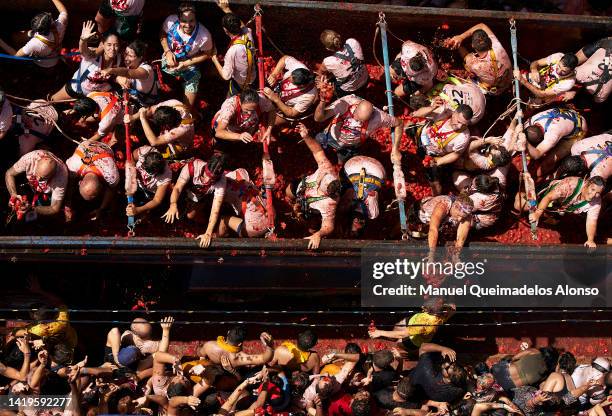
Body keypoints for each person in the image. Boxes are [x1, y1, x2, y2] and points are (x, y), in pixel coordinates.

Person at [285, 124, 341, 250]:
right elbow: (317, 151)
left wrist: (319, 234)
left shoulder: (329, 203)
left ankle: (306, 229)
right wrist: (306, 136)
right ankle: (293, 201)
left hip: (313, 208)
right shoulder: (327, 169)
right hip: (301, 188)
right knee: (288, 192)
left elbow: (328, 226)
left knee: (311, 227)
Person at [162, 153, 227, 248]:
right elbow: (177, 188)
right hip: (185, 188)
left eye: (212, 179)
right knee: (169, 193)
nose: (207, 180)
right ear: (205, 167)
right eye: (206, 175)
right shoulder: (192, 167)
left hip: (200, 196)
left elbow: (215, 209)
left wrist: (208, 233)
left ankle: (201, 220)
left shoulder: (222, 181)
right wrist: (173, 204)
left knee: (190, 215)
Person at [314, 94, 403, 163]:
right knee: (317, 148)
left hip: (349, 146)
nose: (358, 123)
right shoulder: (346, 102)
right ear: (356, 108)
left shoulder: (380, 117)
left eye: (363, 121)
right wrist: (322, 101)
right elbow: (318, 118)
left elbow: (399, 123)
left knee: (342, 162)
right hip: (331, 136)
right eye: (357, 118)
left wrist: (395, 149)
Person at [411, 101, 473, 195]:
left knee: (435, 183)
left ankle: (435, 198)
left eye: (464, 124)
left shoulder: (463, 137)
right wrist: (431, 108)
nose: (460, 126)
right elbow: (415, 114)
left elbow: (456, 154)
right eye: (459, 121)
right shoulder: (444, 111)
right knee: (404, 126)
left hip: (433, 155)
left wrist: (437, 162)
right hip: (420, 136)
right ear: (454, 114)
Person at [160, 2, 214, 112]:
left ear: (196, 19)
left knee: (194, 79)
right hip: (170, 58)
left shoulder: (204, 35)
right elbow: (162, 34)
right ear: (179, 18)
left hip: (188, 63)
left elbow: (207, 54)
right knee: (167, 86)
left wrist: (185, 64)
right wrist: (167, 51)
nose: (188, 25)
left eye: (191, 21)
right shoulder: (170, 21)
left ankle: (185, 113)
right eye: (184, 21)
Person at [51, 21, 121, 101]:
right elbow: (84, 51)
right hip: (76, 90)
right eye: (109, 44)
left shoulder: (118, 59)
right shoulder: (93, 57)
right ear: (103, 44)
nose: (112, 49)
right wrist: (83, 40)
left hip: (94, 98)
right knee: (53, 101)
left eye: (116, 45)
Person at [528, 176, 605, 249]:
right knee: (521, 205)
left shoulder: (596, 202)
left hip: (559, 207)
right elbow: (549, 197)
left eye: (598, 193)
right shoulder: (570, 185)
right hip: (545, 194)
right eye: (592, 189)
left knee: (552, 221)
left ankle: (546, 216)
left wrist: (590, 240)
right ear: (587, 184)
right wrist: (538, 213)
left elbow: (592, 221)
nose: (593, 195)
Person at [443, 23, 512, 96]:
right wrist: (460, 37)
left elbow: (465, 55)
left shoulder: (475, 65)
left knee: (463, 77)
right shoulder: (498, 48)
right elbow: (482, 26)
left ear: (472, 46)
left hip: (493, 91)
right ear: (489, 41)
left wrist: (459, 40)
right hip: (509, 81)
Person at [370, 299, 456, 355]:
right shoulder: (445, 312)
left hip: (413, 339)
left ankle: (413, 353)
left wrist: (379, 332)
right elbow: (453, 309)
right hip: (411, 321)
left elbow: (403, 334)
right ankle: (392, 337)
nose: (423, 307)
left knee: (399, 343)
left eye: (426, 308)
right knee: (397, 327)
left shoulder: (428, 322)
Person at [0, 0, 68, 68]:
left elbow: (16, 55)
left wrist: (1, 42)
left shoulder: (35, 44)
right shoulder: (60, 25)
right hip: (54, 56)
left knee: (17, 37)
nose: (50, 13)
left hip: (44, 63)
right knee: (22, 35)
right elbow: (63, 11)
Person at [523, 107, 587, 176]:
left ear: (541, 140)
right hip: (570, 115)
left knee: (549, 161)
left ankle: (542, 176)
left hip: (579, 129)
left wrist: (525, 142)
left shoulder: (552, 135)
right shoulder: (533, 119)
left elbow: (537, 155)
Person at [65, 139, 119, 221]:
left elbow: (112, 189)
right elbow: (70, 184)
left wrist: (102, 208)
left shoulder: (111, 175)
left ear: (79, 182)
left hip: (106, 149)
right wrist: (68, 205)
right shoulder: (72, 166)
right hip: (87, 144)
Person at [5, 150, 68, 220]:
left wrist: (32, 208)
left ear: (53, 174)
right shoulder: (29, 159)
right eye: (37, 174)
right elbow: (9, 173)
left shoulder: (61, 177)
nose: (38, 179)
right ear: (36, 163)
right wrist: (13, 194)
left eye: (43, 178)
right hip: (28, 183)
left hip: (46, 193)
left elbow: (54, 208)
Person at [211, 0, 257, 96]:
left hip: (239, 84)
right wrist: (226, 9)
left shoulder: (232, 51)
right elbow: (242, 26)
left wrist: (214, 58)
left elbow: (226, 76)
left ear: (225, 30)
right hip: (253, 80)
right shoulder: (248, 32)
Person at [409, 193, 474, 260]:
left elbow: (461, 237)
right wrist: (431, 254)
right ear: (455, 206)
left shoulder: (467, 213)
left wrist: (456, 256)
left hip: (444, 218)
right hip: (419, 214)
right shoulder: (442, 206)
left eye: (463, 217)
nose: (460, 219)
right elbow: (433, 229)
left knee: (467, 223)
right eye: (459, 215)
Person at [338, 155, 386, 237]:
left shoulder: (344, 208)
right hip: (373, 169)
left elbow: (349, 192)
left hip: (361, 166)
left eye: (354, 223)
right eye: (359, 224)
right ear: (365, 226)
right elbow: (373, 195)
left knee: (343, 181)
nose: (357, 221)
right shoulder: (372, 214)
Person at [101, 39, 158, 107]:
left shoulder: (146, 70)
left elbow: (128, 73)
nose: (126, 58)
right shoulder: (130, 65)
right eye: (125, 54)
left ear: (140, 58)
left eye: (130, 56)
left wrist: (111, 70)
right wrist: (117, 78)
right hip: (132, 102)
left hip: (145, 107)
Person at [263, 55, 317, 125]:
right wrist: (274, 74)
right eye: (291, 74)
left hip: (283, 106)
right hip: (277, 90)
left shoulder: (308, 96)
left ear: (302, 85)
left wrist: (276, 99)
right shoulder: (300, 68)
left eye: (292, 81)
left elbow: (292, 113)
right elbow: (284, 58)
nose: (289, 78)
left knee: (269, 122)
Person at [221, 166, 272, 238]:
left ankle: (215, 240)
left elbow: (217, 205)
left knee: (224, 220)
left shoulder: (222, 191)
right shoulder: (242, 171)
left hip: (254, 228)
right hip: (271, 216)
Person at [319, 29, 369, 97]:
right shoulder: (352, 41)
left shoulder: (328, 61)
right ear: (339, 36)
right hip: (365, 78)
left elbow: (321, 72)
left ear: (328, 49)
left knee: (336, 85)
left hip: (350, 89)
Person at [126, 146, 171, 218]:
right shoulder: (144, 151)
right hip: (135, 183)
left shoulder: (166, 175)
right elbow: (132, 159)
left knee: (146, 214)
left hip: (150, 193)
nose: (145, 173)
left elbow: (157, 200)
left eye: (148, 172)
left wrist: (138, 210)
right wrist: (132, 170)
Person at [198, 326, 275, 369]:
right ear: (239, 344)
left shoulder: (209, 345)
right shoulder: (238, 357)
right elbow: (265, 359)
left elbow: (199, 353)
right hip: (230, 378)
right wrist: (270, 345)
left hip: (212, 372)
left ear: (228, 333)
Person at [491, 347, 560, 393]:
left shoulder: (535, 351)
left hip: (500, 371)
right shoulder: (546, 374)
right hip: (508, 386)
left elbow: (515, 357)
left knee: (507, 360)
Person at [575, 36, 612, 103]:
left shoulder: (602, 96)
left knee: (575, 61)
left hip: (609, 43)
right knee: (574, 60)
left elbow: (597, 101)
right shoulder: (578, 75)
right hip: (609, 43)